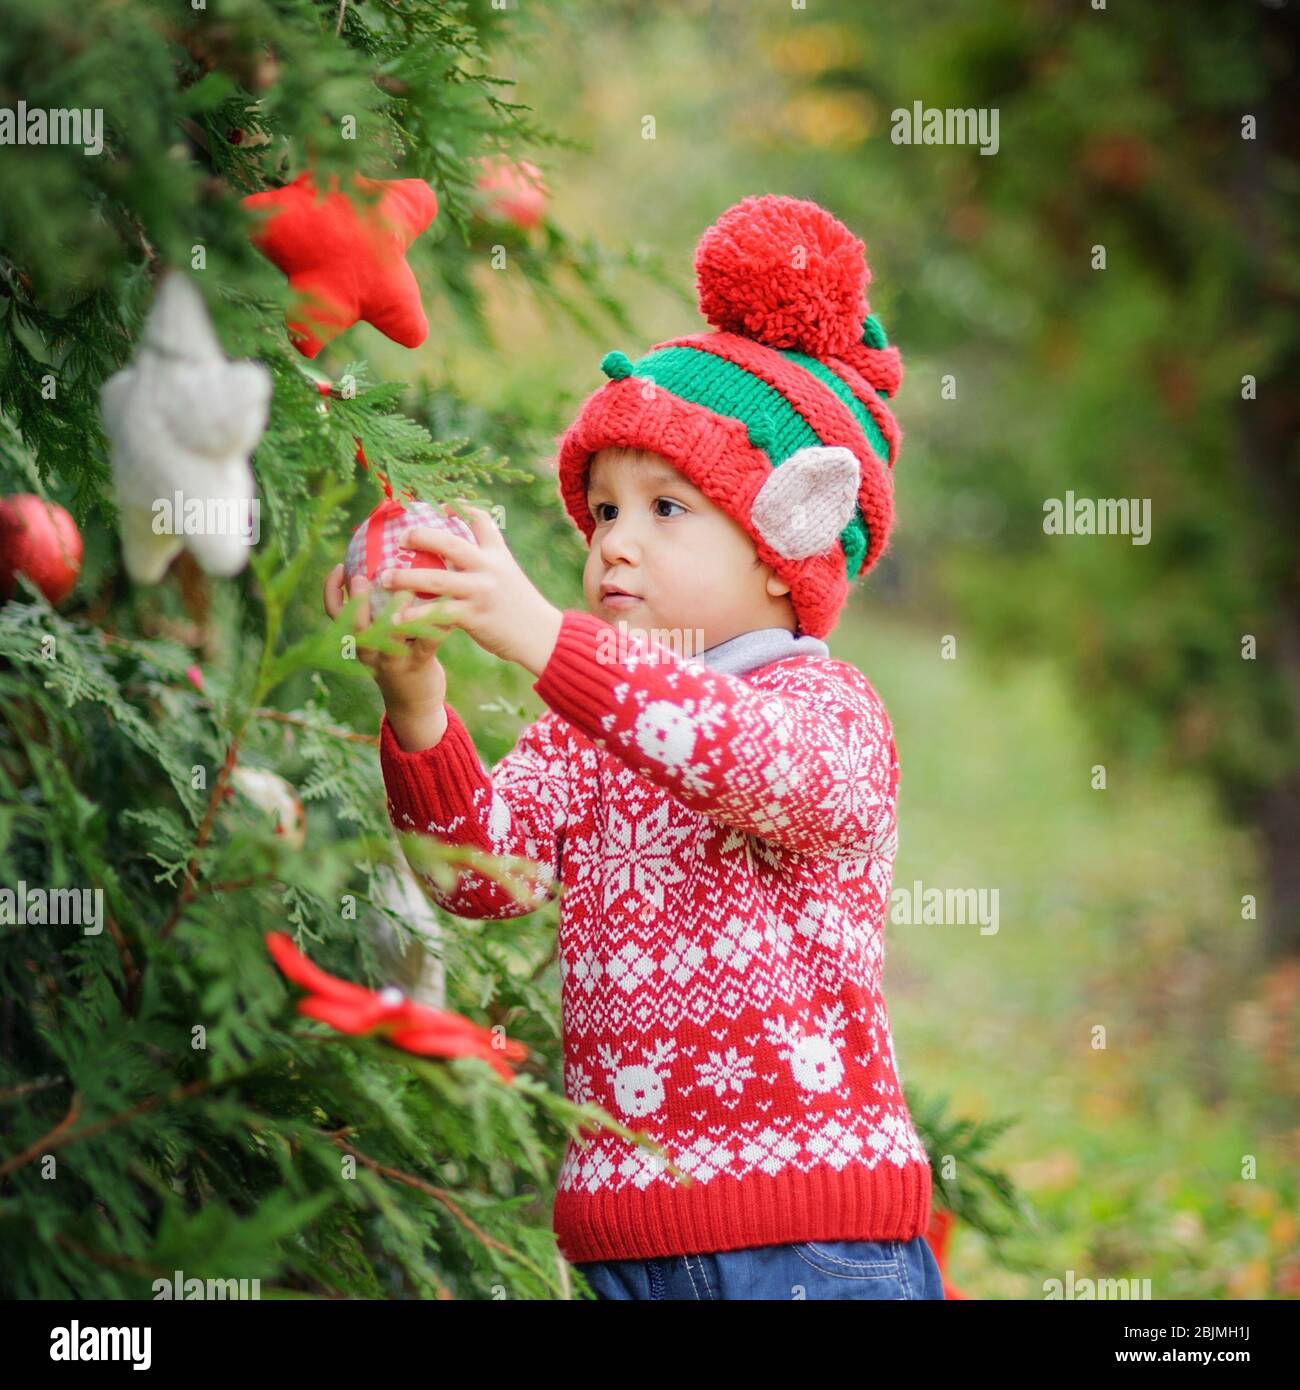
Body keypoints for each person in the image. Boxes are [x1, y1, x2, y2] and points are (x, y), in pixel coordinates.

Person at [323, 193, 943, 1300]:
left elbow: (741, 760)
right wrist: (415, 699)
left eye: (665, 509)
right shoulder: (588, 732)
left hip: (812, 1235)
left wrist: (535, 634)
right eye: (600, 510)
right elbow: (482, 873)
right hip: (624, 1239)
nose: (611, 543)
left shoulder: (826, 710)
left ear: (778, 556)